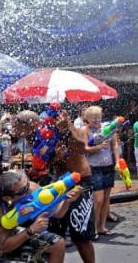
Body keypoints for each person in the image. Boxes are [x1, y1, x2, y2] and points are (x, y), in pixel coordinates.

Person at [0, 171, 73, 263]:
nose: (29, 190)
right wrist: (31, 230)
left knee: (57, 243)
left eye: (27, 185)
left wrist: (67, 200)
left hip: (10, 233)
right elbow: (4, 247)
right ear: (7, 198)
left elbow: (59, 213)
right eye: (23, 190)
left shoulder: (30, 188)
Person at [47, 110, 96, 263]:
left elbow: (83, 147)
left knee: (81, 234)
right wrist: (55, 156)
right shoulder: (48, 134)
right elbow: (46, 160)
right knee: (55, 234)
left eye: (61, 118)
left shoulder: (76, 129)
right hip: (58, 183)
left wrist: (68, 128)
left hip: (80, 181)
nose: (57, 121)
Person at [81, 106, 121, 237]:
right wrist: (98, 147)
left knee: (106, 199)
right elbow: (85, 149)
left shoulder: (108, 127)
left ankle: (102, 226)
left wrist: (117, 161)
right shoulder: (85, 130)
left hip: (108, 166)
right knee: (98, 199)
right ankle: (93, 228)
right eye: (94, 118)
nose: (97, 120)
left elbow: (115, 145)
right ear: (87, 119)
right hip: (94, 167)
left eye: (99, 117)